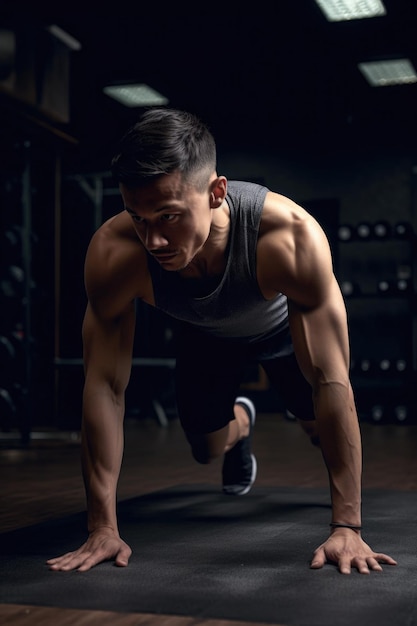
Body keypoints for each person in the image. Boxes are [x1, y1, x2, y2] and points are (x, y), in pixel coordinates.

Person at [47, 107, 396, 575]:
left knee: (319, 427)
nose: (153, 240)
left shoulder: (287, 237)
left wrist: (347, 528)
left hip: (280, 332)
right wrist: (101, 526)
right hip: (204, 336)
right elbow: (105, 387)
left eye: (168, 216)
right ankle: (241, 425)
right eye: (138, 217)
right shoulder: (115, 254)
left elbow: (332, 380)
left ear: (216, 192)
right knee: (206, 450)